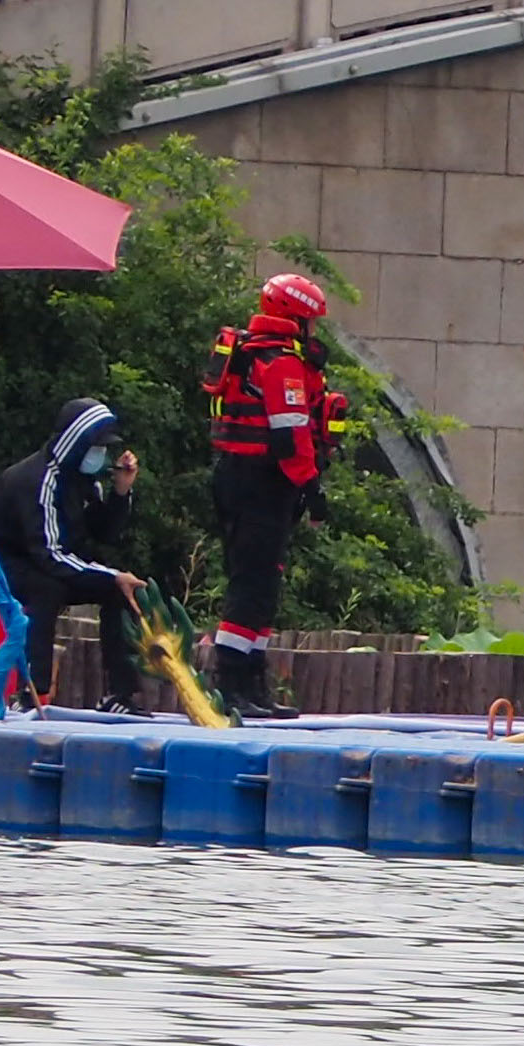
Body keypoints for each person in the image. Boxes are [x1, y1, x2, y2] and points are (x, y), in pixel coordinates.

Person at [201, 274, 350, 718]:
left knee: (264, 584)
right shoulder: (280, 363)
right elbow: (290, 437)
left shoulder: (260, 355)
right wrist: (312, 488)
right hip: (261, 479)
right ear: (296, 318)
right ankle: (230, 685)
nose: (314, 332)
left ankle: (253, 685)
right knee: (252, 584)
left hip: (251, 477)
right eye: (311, 322)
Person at [0, 398, 149, 713]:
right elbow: (50, 554)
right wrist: (108, 573)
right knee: (46, 586)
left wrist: (121, 493)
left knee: (117, 589)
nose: (101, 454)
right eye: (96, 447)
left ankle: (122, 694)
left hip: (32, 560)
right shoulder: (40, 480)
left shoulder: (83, 482)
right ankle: (32, 692)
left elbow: (101, 536)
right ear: (75, 443)